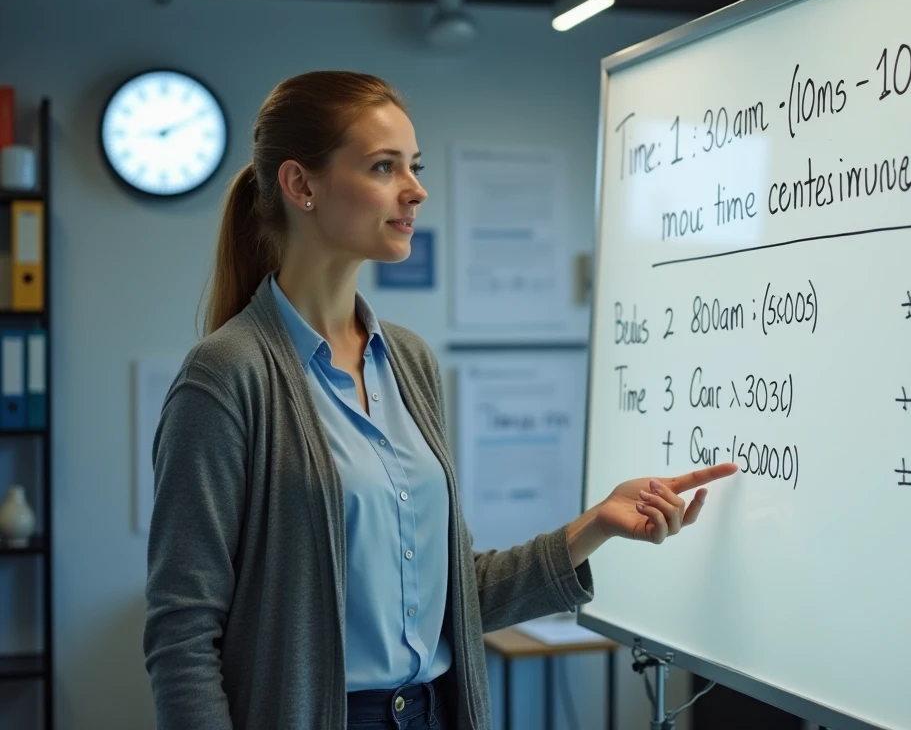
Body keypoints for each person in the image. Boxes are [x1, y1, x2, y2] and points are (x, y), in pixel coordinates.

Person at [142, 70, 738, 730]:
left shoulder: (409, 362)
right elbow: (182, 637)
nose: (416, 189)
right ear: (301, 185)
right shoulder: (228, 375)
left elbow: (458, 592)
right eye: (382, 166)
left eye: (415, 166)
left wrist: (597, 523)